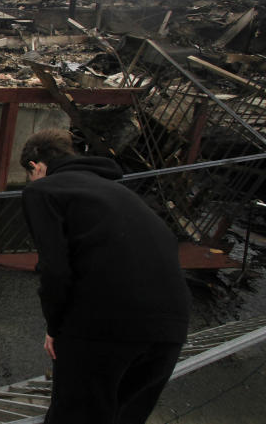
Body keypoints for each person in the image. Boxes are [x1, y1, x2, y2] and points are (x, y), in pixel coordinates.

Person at [19, 128, 191, 424]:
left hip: (105, 326)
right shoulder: (120, 192)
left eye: (30, 174)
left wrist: (55, 327)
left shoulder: (43, 190)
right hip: (171, 327)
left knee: (75, 416)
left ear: (36, 166)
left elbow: (55, 269)